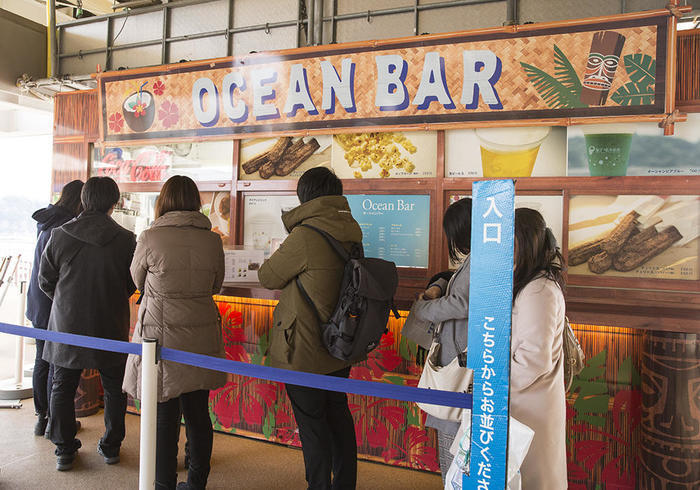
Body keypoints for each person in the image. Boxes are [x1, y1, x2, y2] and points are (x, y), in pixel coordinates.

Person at [258, 167, 362, 490]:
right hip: (340, 343)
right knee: (338, 417)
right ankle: (344, 483)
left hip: (304, 348)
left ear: (306, 196)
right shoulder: (351, 229)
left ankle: (318, 485)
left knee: (313, 425)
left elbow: (268, 276)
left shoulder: (305, 235)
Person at [122, 175, 226, 490]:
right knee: (198, 414)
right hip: (202, 334)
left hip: (160, 339)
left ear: (162, 202)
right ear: (195, 202)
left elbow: (137, 280)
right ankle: (196, 483)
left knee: (164, 416)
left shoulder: (150, 237)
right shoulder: (213, 239)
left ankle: (163, 483)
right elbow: (215, 286)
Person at [38, 176, 136, 471]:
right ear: (114, 203)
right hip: (110, 323)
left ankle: (64, 449)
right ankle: (111, 446)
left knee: (62, 385)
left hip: (67, 323)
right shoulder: (126, 239)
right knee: (114, 387)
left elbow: (45, 280)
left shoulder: (60, 235)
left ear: (84, 200)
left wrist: (66, 301)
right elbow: (131, 283)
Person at [409, 197, 472, 482]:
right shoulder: (484, 256)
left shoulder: (480, 258)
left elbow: (461, 303)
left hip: (457, 362)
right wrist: (439, 284)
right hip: (459, 356)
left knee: (452, 441)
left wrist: (424, 309)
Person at [510, 208, 567, 488]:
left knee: (532, 477)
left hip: (529, 405)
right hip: (528, 402)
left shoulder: (538, 290)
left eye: (512, 243)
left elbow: (533, 360)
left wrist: (493, 383)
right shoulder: (535, 283)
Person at [26, 179, 83, 437]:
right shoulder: (66, 227)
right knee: (56, 363)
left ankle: (41, 417)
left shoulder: (47, 222)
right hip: (54, 304)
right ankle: (54, 421)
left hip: (38, 302)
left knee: (42, 360)